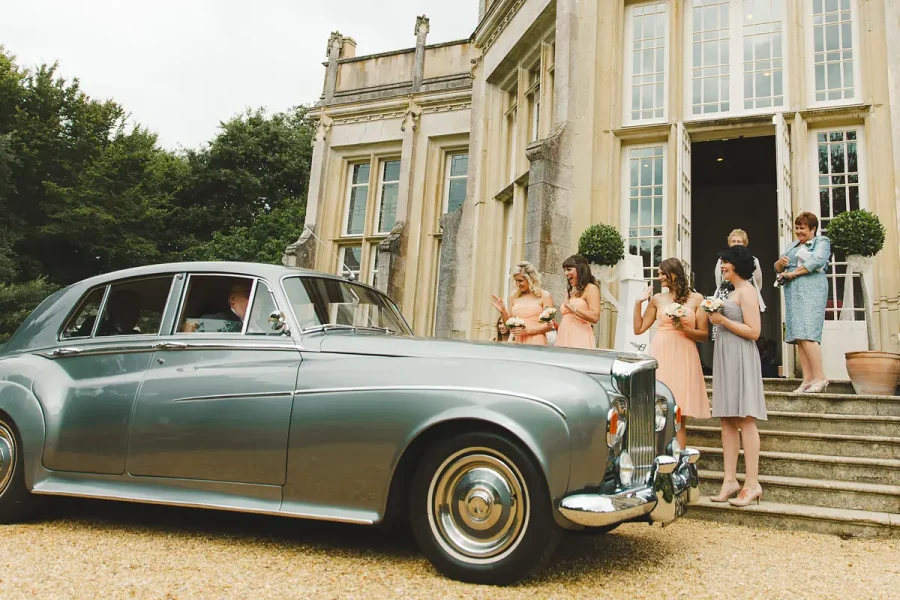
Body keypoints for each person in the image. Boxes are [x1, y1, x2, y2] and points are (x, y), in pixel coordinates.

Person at [709, 245, 767, 507]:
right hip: (724, 356)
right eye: (722, 262)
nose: (722, 266)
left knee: (745, 418)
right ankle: (730, 479)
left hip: (742, 356)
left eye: (726, 262)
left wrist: (723, 321)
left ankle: (752, 483)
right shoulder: (730, 291)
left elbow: (754, 331)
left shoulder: (747, 291)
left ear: (737, 265)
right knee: (727, 419)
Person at [633, 258, 710, 451]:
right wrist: (638, 303)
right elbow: (639, 328)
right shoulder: (658, 299)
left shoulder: (697, 299)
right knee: (658, 409)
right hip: (662, 352)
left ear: (674, 273)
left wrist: (684, 328)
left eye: (662, 273)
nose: (659, 278)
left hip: (684, 354)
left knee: (678, 413)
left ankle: (678, 464)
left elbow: (704, 336)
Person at [775, 212, 831, 393]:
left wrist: (792, 273)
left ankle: (820, 377)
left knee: (808, 333)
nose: (799, 232)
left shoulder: (821, 242)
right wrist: (780, 264)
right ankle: (807, 379)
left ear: (813, 229)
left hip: (811, 288)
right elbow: (777, 266)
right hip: (793, 292)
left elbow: (817, 261)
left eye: (803, 228)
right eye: (797, 228)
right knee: (799, 337)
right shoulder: (792, 245)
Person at [489, 261, 554, 345]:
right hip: (515, 340)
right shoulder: (514, 296)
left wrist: (528, 331)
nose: (517, 284)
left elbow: (550, 325)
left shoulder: (545, 295)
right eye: (516, 281)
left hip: (536, 340)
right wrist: (503, 311)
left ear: (531, 279)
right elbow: (509, 325)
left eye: (520, 280)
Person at [714, 229, 766, 312]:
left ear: (745, 244)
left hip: (746, 296)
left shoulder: (753, 260)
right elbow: (718, 280)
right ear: (729, 244)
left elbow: (757, 281)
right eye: (733, 241)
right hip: (726, 294)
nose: (736, 244)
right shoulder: (721, 260)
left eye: (739, 241)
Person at [555, 255, 601, 349]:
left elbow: (595, 317)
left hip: (579, 336)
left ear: (580, 269)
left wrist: (573, 308)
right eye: (564, 270)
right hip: (564, 336)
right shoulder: (572, 291)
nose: (566, 273)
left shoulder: (591, 288)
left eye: (569, 269)